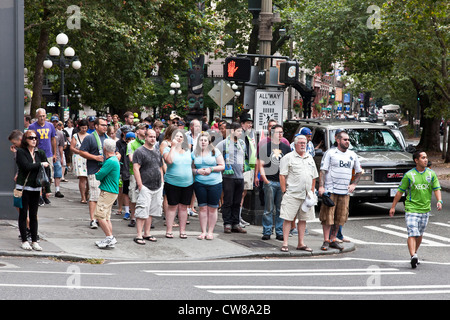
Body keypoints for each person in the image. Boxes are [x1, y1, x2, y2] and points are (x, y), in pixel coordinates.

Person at [389, 150, 442, 268]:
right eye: (423, 158)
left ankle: (415, 253)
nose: (426, 160)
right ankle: (413, 255)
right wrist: (393, 207)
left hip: (425, 209)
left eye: (426, 157)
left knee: (419, 234)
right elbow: (400, 192)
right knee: (412, 232)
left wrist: (439, 200)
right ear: (416, 160)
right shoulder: (409, 175)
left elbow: (437, 188)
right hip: (411, 208)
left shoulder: (431, 174)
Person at [318, 130, 362, 251]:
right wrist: (321, 187)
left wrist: (353, 184)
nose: (347, 142)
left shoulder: (352, 155)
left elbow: (359, 171)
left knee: (340, 217)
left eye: (348, 140)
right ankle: (326, 240)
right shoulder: (331, 153)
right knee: (327, 217)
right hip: (331, 190)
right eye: (345, 140)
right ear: (338, 140)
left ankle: (333, 239)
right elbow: (323, 170)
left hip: (344, 192)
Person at [279, 135, 318, 252]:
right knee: (287, 218)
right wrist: (284, 191)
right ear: (295, 144)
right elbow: (282, 175)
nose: (302, 145)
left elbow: (314, 176)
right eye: (300, 143)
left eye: (304, 143)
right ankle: (285, 243)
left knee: (303, 219)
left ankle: (301, 243)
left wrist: (311, 191)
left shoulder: (309, 158)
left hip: (306, 196)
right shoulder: (288, 158)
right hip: (292, 194)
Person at [15, 130, 51, 251]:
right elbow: (25, 166)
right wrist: (41, 164)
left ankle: (34, 241)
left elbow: (47, 171)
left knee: (34, 215)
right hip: (23, 187)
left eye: (35, 138)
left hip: (36, 187)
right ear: (26, 140)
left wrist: (48, 188)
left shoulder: (40, 152)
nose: (34, 140)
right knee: (23, 213)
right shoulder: (20, 152)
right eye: (31, 138)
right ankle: (24, 240)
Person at [257, 124, 291, 241]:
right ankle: (267, 231)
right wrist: (265, 180)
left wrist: (287, 182)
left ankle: (279, 232)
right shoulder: (265, 147)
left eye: (282, 132)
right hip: (270, 181)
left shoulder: (286, 148)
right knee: (268, 209)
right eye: (278, 132)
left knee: (280, 209)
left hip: (281, 182)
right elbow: (260, 164)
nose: (280, 135)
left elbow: (289, 166)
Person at [132, 129, 164, 245]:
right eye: (150, 136)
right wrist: (140, 185)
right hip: (145, 185)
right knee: (142, 210)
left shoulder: (157, 151)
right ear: (145, 137)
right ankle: (139, 234)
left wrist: (162, 181)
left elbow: (160, 167)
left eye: (154, 137)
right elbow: (136, 168)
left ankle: (147, 233)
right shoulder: (139, 151)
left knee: (151, 211)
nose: (152, 139)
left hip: (157, 186)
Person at [192, 132, 225, 240]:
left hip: (215, 183)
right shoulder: (194, 153)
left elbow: (222, 166)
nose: (203, 142)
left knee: (212, 208)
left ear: (209, 142)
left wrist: (211, 169)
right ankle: (203, 231)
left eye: (205, 140)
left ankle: (210, 232)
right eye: (201, 140)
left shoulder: (215, 151)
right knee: (202, 207)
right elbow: (191, 168)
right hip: (200, 183)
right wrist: (197, 170)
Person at [78, 116, 110, 229]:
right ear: (96, 126)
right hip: (94, 170)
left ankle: (101, 218)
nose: (105, 127)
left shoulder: (108, 138)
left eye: (106, 125)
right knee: (94, 195)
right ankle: (93, 219)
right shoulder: (90, 138)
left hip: (106, 171)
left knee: (104, 196)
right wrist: (95, 157)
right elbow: (81, 152)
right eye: (102, 125)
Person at [216, 122, 247, 234]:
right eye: (238, 131)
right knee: (228, 201)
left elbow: (243, 157)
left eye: (241, 131)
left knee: (237, 201)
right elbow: (215, 155)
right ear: (232, 131)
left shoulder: (241, 143)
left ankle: (236, 223)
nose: (240, 133)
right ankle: (227, 223)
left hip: (240, 176)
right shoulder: (223, 144)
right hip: (228, 176)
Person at [162, 129, 194, 239]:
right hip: (172, 182)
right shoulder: (167, 149)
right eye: (177, 136)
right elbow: (169, 161)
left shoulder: (188, 150)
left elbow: (193, 164)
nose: (179, 138)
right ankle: (169, 230)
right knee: (172, 206)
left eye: (181, 137)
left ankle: (182, 230)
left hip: (188, 183)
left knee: (184, 207)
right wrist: (173, 147)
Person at [94, 139, 120, 249]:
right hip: (112, 191)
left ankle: (110, 237)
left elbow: (99, 176)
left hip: (107, 192)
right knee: (106, 217)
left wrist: (98, 172)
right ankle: (109, 237)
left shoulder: (110, 161)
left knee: (100, 215)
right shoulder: (114, 160)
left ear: (104, 149)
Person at [28, 108, 56, 205]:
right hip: (37, 153)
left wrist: (55, 153)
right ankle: (38, 195)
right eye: (40, 116)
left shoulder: (50, 126)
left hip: (48, 154)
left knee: (49, 175)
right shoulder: (32, 126)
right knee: (38, 175)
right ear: (37, 116)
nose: (42, 118)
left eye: (43, 116)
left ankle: (45, 194)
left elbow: (53, 139)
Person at [126, 123, 148, 228]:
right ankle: (133, 218)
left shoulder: (148, 143)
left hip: (147, 174)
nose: (145, 131)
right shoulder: (131, 144)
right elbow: (131, 158)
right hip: (134, 173)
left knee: (146, 197)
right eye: (143, 129)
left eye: (146, 129)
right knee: (133, 197)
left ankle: (146, 218)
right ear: (137, 131)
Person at [240, 113, 256, 227]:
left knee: (244, 192)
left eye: (251, 123)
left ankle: (239, 217)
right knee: (240, 192)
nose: (250, 125)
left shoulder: (250, 135)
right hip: (241, 166)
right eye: (248, 123)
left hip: (248, 166)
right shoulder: (239, 134)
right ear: (242, 124)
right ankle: (237, 217)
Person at [70, 119, 89, 203]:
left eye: (85, 128)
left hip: (88, 157)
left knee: (89, 177)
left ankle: (87, 192)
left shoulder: (89, 136)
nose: (84, 129)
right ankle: (83, 196)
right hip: (79, 157)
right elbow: (72, 147)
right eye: (82, 128)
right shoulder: (75, 136)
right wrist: (80, 152)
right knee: (82, 178)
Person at [51, 117, 65, 198]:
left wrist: (62, 157)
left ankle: (57, 190)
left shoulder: (60, 133)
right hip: (49, 154)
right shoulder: (48, 131)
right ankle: (46, 190)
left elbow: (61, 146)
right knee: (48, 173)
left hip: (57, 156)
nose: (55, 123)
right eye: (53, 122)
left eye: (56, 122)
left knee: (58, 173)